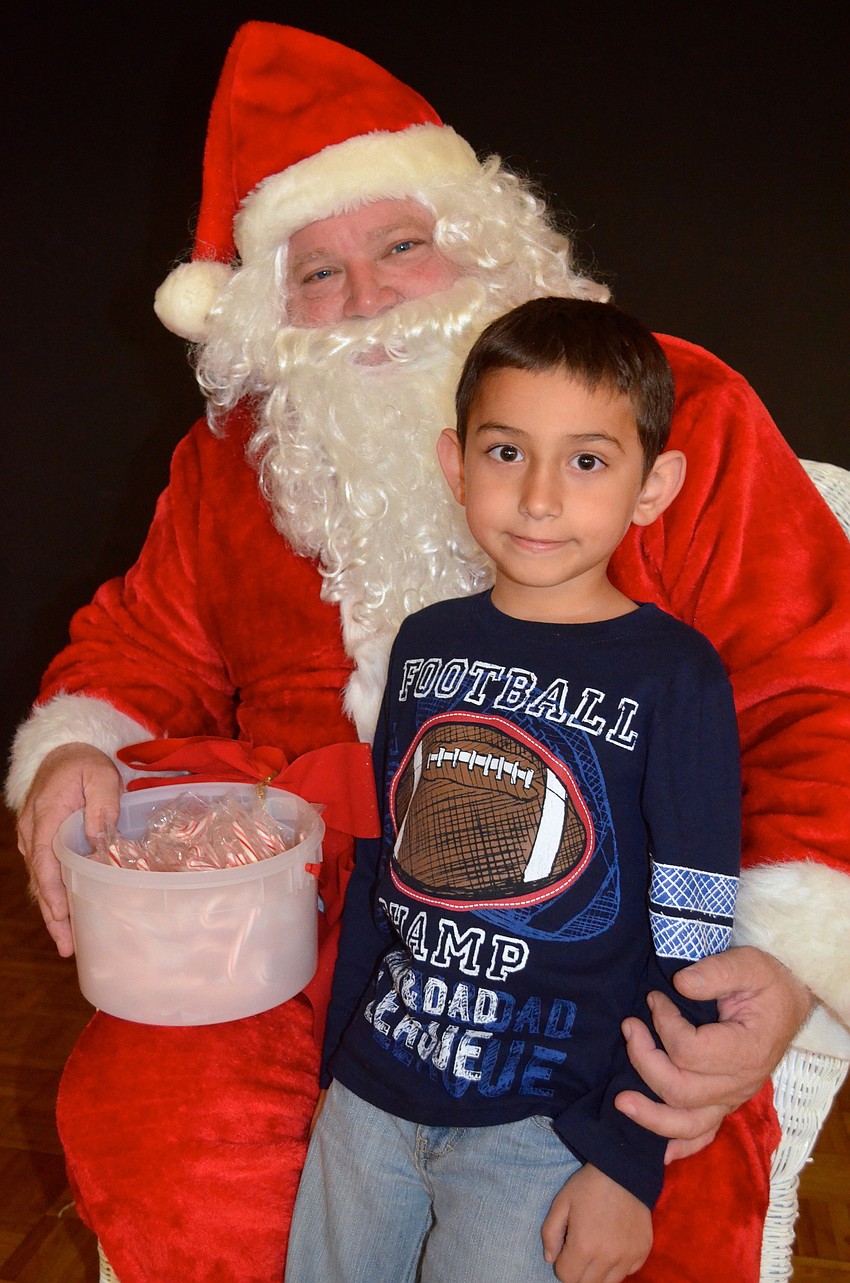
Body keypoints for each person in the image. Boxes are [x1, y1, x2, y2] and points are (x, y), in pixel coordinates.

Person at [5, 20, 849, 1283]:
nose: (367, 305)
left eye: (400, 244)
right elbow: (142, 640)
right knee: (169, 1153)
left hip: (596, 946)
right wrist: (76, 744)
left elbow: (817, 688)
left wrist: (784, 954)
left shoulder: (674, 407)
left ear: (487, 245)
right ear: (262, 314)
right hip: (294, 928)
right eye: (315, 273)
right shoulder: (233, 460)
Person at [285, 296, 742, 1283]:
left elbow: (695, 930)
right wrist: (336, 1069)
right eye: (505, 453)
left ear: (651, 485)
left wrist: (627, 1160)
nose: (539, 496)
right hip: (372, 1093)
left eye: (585, 460)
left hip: (543, 1120)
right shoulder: (424, 642)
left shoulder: (677, 674)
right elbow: (385, 863)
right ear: (455, 465)